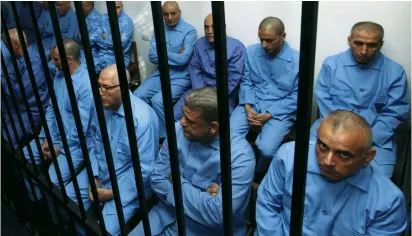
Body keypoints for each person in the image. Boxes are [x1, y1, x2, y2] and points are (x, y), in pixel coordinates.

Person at [255, 110, 408, 235]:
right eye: (322, 146)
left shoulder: (387, 203)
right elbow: (267, 205)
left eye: (344, 154)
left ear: (367, 157)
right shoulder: (289, 157)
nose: (327, 161)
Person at [130, 87, 255, 236]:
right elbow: (157, 179)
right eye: (183, 114)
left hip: (204, 231)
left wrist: (174, 179)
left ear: (213, 127)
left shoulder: (240, 158)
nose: (182, 122)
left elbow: (217, 215)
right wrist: (202, 194)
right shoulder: (177, 131)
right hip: (164, 215)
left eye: (190, 121)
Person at [65, 64, 159, 235]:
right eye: (99, 86)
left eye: (107, 88)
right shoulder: (101, 104)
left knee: (104, 231)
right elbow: (93, 141)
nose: (100, 92)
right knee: (67, 200)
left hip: (128, 185)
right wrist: (93, 177)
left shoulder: (142, 119)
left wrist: (111, 193)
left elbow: (144, 170)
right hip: (99, 172)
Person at [311, 21, 410, 178]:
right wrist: (339, 138)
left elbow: (394, 113)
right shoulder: (331, 65)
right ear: (349, 40)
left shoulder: (395, 73)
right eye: (358, 43)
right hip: (331, 132)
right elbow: (324, 103)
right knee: (309, 170)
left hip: (375, 139)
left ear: (380, 45)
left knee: (380, 184)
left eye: (371, 45)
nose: (364, 51)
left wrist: (363, 141)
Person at [23, 39, 94, 196]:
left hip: (74, 143)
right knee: (24, 157)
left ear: (68, 59)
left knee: (52, 182)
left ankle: (54, 219)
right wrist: (47, 136)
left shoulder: (86, 86)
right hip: (53, 134)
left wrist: (60, 147)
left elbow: (80, 127)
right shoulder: (59, 76)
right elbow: (51, 109)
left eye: (55, 59)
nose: (52, 62)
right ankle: (37, 200)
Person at [230, 17, 299, 173]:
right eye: (261, 39)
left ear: (283, 36)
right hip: (253, 102)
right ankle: (237, 168)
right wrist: (247, 106)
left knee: (266, 150)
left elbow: (297, 96)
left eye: (269, 40)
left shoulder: (298, 61)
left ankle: (256, 173)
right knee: (229, 135)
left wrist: (270, 114)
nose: (264, 45)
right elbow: (246, 81)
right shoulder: (251, 52)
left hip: (280, 109)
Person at [133, 1, 197, 139]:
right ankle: (149, 126)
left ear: (179, 12)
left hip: (180, 77)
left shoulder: (189, 30)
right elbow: (152, 56)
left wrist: (162, 53)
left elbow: (183, 60)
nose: (169, 18)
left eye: (173, 13)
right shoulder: (159, 28)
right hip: (160, 73)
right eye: (165, 14)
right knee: (138, 95)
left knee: (158, 101)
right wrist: (175, 55)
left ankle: (166, 137)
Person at [173, 13, 245, 121]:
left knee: (215, 123)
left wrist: (211, 97)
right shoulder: (199, 44)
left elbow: (232, 79)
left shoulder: (236, 48)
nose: (209, 31)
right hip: (199, 89)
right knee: (175, 115)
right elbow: (194, 69)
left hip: (224, 94)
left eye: (214, 27)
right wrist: (200, 93)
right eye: (206, 27)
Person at [1, 29, 49, 149]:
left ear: (16, 45)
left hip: (30, 110)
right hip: (15, 105)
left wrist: (4, 77)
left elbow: (19, 93)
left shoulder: (35, 63)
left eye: (7, 44)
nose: (6, 48)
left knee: (7, 138)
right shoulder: (16, 57)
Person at [95, 1, 133, 72]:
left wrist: (106, 37)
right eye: (112, 7)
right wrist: (113, 38)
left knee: (109, 78)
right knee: (87, 71)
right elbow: (96, 38)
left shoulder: (127, 22)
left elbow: (120, 44)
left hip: (118, 58)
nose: (115, 10)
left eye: (117, 7)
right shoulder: (103, 18)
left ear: (122, 7)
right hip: (101, 55)